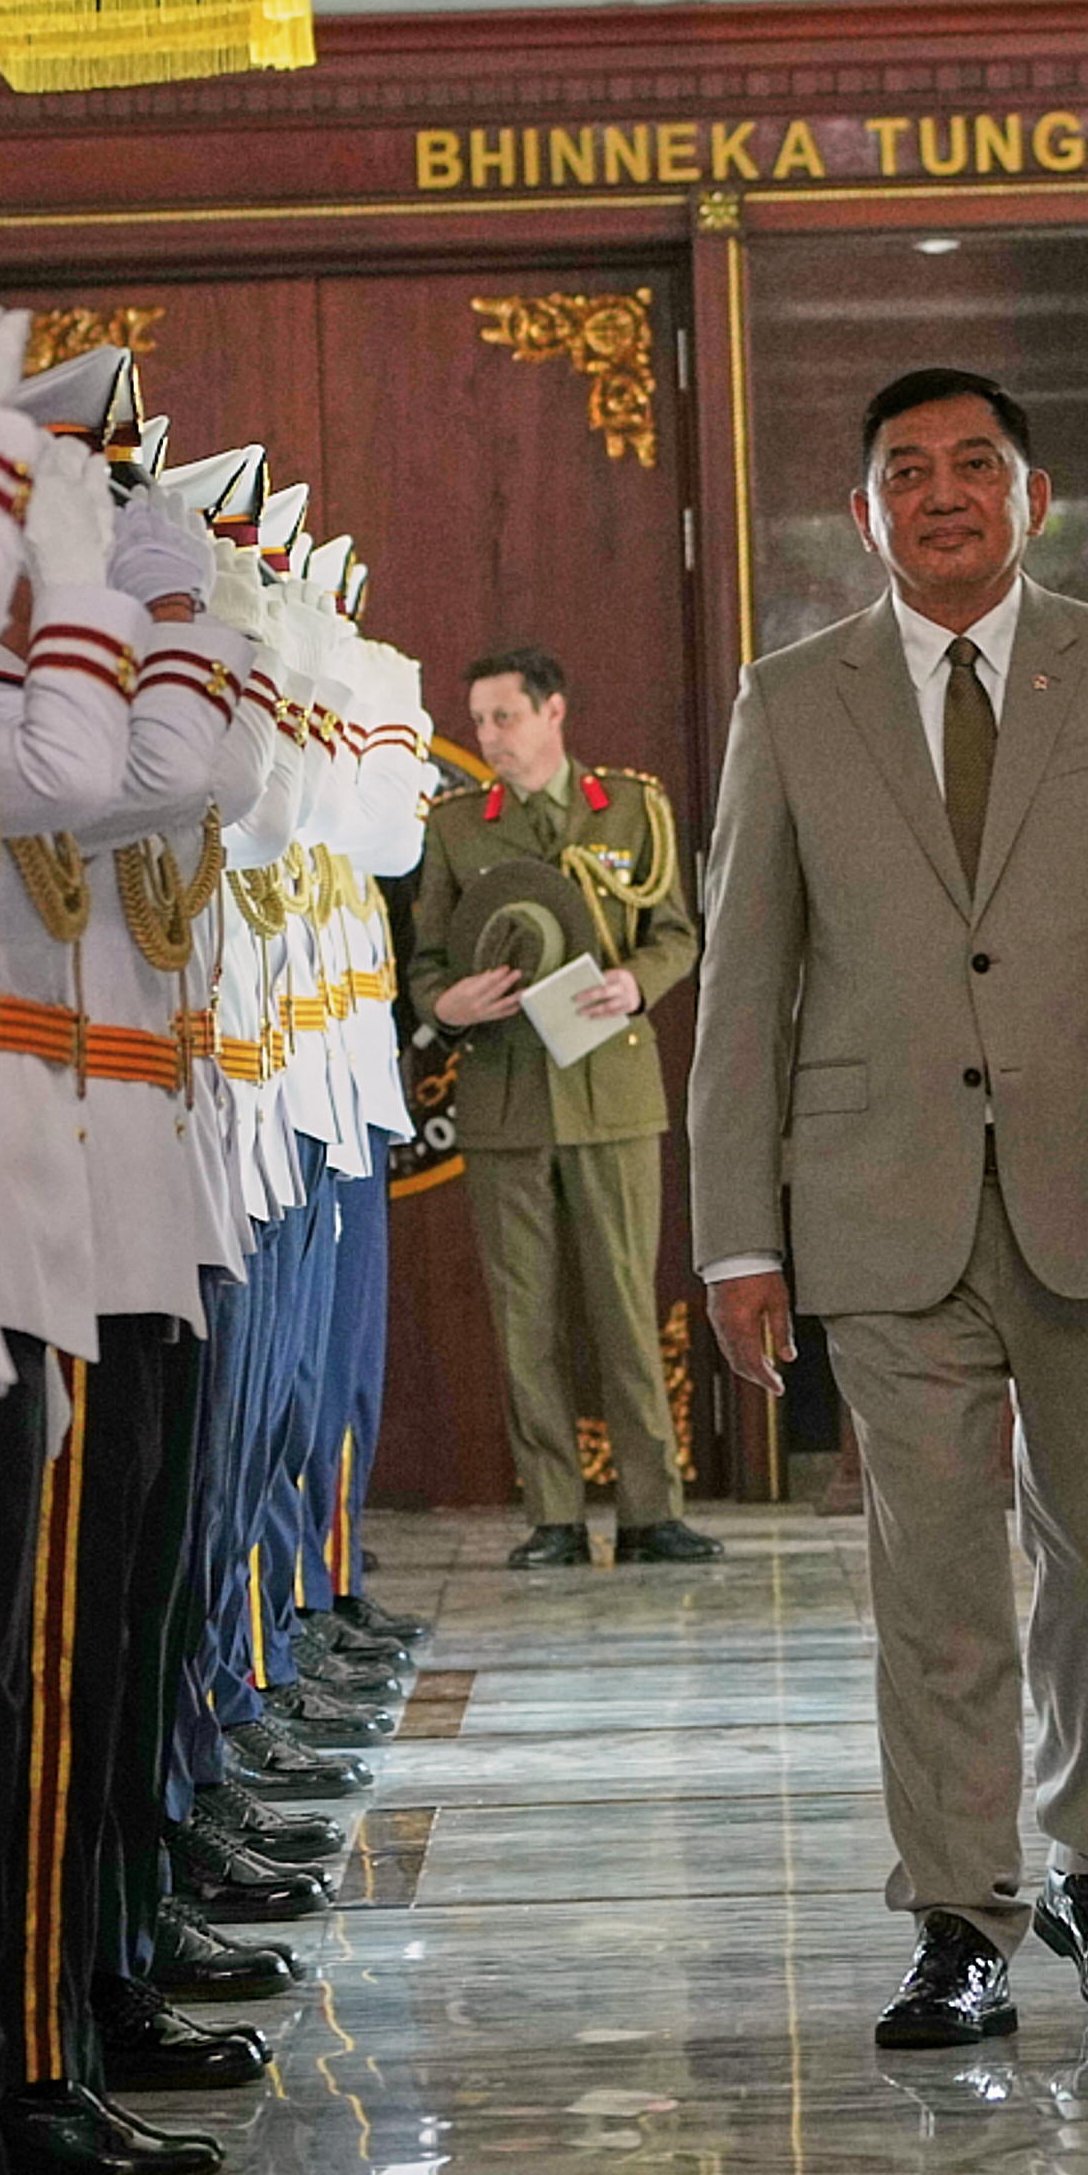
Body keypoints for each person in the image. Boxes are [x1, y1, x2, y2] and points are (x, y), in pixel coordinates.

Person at [688, 368, 1088, 2049]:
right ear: (864, 513)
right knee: (933, 1575)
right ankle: (958, 1912)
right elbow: (744, 981)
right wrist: (738, 1234)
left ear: (1032, 496)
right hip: (880, 1201)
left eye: (973, 465)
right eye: (906, 472)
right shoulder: (793, 699)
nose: (941, 494)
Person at [411, 646, 712, 1566]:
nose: (488, 737)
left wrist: (637, 983)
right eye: (478, 721)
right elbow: (427, 964)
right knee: (525, 1312)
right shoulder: (455, 827)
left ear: (553, 712)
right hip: (506, 1094)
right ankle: (553, 1515)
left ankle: (652, 1508)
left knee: (625, 1302)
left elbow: (677, 933)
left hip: (609, 1088)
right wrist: (449, 1004)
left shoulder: (628, 807)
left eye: (503, 716)